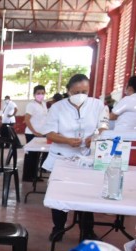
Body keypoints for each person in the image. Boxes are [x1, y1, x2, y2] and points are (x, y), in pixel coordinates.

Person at [42, 73, 109, 242]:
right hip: (62, 156)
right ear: (68, 91)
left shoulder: (97, 105)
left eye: (84, 91)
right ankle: (58, 228)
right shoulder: (57, 107)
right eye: (76, 91)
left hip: (86, 156)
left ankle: (87, 230)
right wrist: (67, 141)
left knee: (86, 194)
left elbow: (103, 127)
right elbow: (49, 132)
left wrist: (93, 138)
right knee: (59, 194)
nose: (81, 94)